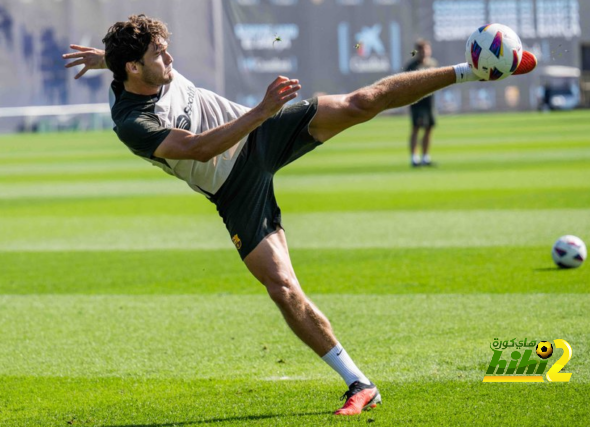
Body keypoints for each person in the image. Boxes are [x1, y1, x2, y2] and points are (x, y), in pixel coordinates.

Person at [63, 14, 536, 416]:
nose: (170, 61)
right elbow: (202, 148)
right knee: (283, 288)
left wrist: (104, 58)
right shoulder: (131, 123)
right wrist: (263, 108)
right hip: (233, 188)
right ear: (134, 67)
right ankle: (360, 383)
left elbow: (138, 66)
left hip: (261, 135)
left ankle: (473, 71)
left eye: (167, 51)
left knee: (361, 103)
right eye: (160, 56)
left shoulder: (141, 66)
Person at [405, 39, 438, 167]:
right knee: (416, 128)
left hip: (429, 101)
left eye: (426, 49)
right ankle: (414, 158)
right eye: (422, 50)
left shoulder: (433, 64)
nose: (424, 52)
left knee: (429, 128)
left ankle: (426, 157)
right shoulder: (412, 67)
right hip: (417, 101)